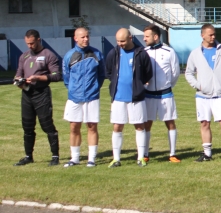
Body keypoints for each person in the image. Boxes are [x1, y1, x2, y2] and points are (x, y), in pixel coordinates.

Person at [185, 24, 221, 162]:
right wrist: (198, 85)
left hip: (219, 94)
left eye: (214, 34)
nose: (213, 37)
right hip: (202, 95)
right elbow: (188, 73)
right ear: (202, 35)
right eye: (210, 34)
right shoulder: (195, 53)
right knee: (204, 123)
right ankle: (207, 153)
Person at [105, 28, 153, 168]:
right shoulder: (113, 53)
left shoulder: (141, 53)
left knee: (139, 126)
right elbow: (108, 72)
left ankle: (141, 157)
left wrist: (139, 86)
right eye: (118, 41)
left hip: (136, 98)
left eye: (122, 41)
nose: (120, 44)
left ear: (130, 38)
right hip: (118, 97)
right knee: (117, 126)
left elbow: (148, 72)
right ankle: (116, 159)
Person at [13, 29, 62, 167]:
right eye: (27, 43)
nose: (30, 46)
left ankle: (55, 156)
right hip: (27, 94)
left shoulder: (49, 55)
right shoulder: (24, 56)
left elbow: (56, 75)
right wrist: (18, 81)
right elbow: (18, 74)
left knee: (47, 125)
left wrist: (37, 78)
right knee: (27, 126)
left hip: (42, 93)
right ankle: (28, 156)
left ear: (39, 40)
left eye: (32, 43)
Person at [62, 27, 105, 168]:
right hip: (74, 97)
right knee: (74, 127)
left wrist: (95, 88)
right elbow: (66, 78)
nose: (86, 39)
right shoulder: (69, 56)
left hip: (92, 96)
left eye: (87, 36)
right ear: (75, 38)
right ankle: (74, 158)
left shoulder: (96, 54)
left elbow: (101, 74)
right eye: (83, 37)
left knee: (92, 126)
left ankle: (91, 159)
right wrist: (74, 89)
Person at [142, 25, 181, 163]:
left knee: (170, 123)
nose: (144, 39)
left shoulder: (169, 51)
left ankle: (172, 154)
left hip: (166, 94)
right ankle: (145, 154)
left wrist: (167, 86)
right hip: (148, 95)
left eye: (147, 36)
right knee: (147, 124)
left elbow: (175, 73)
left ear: (155, 36)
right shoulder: (144, 52)